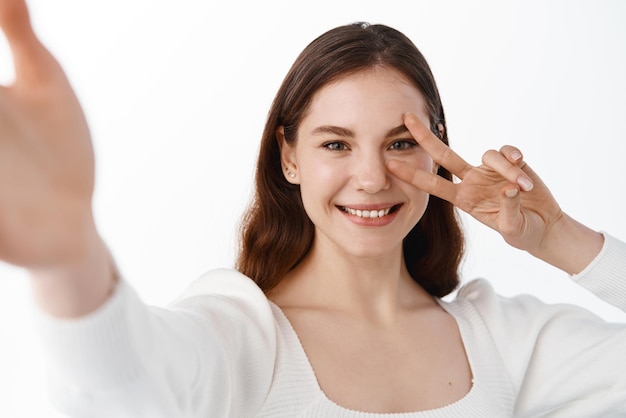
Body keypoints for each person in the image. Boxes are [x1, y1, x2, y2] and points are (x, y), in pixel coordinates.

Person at [1, 0, 624, 417]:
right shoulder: (243, 337)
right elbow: (120, 390)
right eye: (336, 144)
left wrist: (560, 240)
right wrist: (68, 257)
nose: (373, 176)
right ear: (289, 157)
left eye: (402, 143)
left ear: (438, 155)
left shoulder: (503, 339)